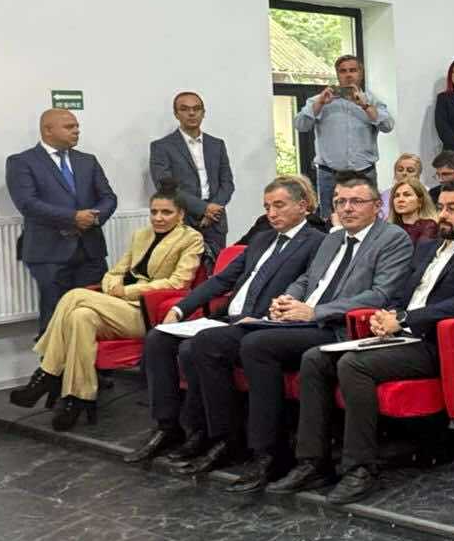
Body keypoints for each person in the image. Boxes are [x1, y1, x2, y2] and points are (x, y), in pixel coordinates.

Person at [273, 178, 454, 505]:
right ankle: (313, 462)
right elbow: (400, 294)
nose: (443, 214)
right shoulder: (428, 247)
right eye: (441, 207)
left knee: (354, 365)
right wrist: (386, 315)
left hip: (437, 342)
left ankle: (360, 468)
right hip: (401, 335)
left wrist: (406, 318)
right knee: (315, 358)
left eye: (452, 208)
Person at [219, 175, 415, 493]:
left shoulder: (392, 238)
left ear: (377, 206)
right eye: (340, 201)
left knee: (257, 345)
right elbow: (309, 279)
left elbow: (381, 294)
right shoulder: (333, 238)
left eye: (356, 201)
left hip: (340, 327)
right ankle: (253, 445)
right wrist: (288, 298)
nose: (347, 208)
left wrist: (315, 312)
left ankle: (272, 453)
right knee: (231, 338)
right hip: (305, 320)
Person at [125, 176, 328, 469]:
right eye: (267, 207)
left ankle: (220, 437)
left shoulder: (317, 242)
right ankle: (168, 426)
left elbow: (307, 288)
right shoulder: (261, 239)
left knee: (194, 348)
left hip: (261, 322)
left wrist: (265, 317)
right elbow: (221, 280)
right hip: (226, 318)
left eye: (279, 206)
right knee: (158, 337)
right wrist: (180, 309)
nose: (271, 213)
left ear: (302, 205)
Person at [16, 184, 203, 431]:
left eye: (166, 212)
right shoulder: (141, 235)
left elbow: (179, 283)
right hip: (117, 306)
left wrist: (127, 291)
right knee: (80, 316)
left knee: (74, 295)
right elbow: (115, 271)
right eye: (154, 211)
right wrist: (113, 284)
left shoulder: (191, 238)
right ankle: (77, 398)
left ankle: (47, 373)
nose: (158, 218)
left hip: (147, 312)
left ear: (180, 214)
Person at [5, 108, 118, 334]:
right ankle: (52, 357)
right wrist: (73, 218)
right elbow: (27, 203)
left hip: (90, 249)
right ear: (48, 130)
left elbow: (108, 197)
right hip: (49, 251)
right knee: (56, 313)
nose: (76, 131)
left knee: (93, 309)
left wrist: (94, 218)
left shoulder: (87, 161)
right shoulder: (22, 162)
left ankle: (89, 355)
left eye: (77, 126)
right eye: (69, 127)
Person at [295, 54, 394, 216]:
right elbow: (301, 125)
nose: (348, 75)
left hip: (364, 172)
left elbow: (388, 126)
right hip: (330, 174)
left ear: (361, 73)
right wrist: (320, 103)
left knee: (368, 217)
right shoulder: (320, 100)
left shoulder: (371, 101)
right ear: (337, 74)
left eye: (353, 70)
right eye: (343, 71)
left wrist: (365, 106)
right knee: (330, 220)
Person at [148, 91, 235, 258]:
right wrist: (203, 209)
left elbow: (227, 183)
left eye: (196, 108)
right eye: (185, 109)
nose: (191, 113)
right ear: (176, 114)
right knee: (183, 271)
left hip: (215, 222)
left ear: (203, 112)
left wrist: (213, 209)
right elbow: (165, 186)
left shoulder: (217, 144)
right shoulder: (162, 147)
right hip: (182, 220)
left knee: (216, 269)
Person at [387, 176, 438, 243]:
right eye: (397, 196)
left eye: (407, 195)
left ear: (420, 201)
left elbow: (422, 248)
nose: (400, 199)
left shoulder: (429, 226)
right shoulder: (388, 228)